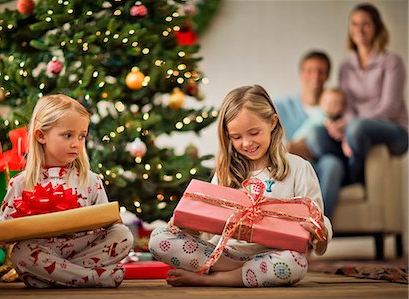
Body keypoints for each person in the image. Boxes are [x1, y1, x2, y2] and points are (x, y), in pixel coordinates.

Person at [148, 85, 332, 287]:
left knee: (296, 263)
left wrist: (319, 233)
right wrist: (187, 227)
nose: (246, 143)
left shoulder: (299, 168)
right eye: (236, 137)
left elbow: (318, 222)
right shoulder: (225, 172)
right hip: (225, 255)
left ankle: (214, 279)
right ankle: (239, 273)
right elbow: (208, 233)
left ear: (272, 123)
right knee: (158, 238)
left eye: (254, 132)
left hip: (274, 255)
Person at [0, 94, 133, 288]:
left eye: (82, 136)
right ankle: (92, 278)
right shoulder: (20, 183)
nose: (76, 143)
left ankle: (56, 276)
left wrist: (113, 220)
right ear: (41, 136)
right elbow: (6, 229)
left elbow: (104, 222)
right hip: (41, 251)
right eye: (68, 135)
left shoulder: (91, 180)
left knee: (123, 234)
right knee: (21, 254)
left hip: (81, 249)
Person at [318, 3, 408, 184]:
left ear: (376, 27)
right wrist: (344, 131)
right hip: (356, 130)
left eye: (365, 24)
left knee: (357, 128)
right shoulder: (345, 67)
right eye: (354, 24)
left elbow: (389, 107)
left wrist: (350, 126)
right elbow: (348, 105)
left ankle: (352, 178)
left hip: (394, 130)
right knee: (316, 134)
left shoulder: (392, 62)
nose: (359, 29)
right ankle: (339, 167)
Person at [274, 51, 346, 218]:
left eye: (321, 71)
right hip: (297, 163)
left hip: (328, 160)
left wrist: (308, 147)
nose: (315, 76)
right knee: (301, 167)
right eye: (310, 70)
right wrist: (292, 149)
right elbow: (274, 142)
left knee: (333, 164)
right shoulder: (281, 107)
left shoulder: (336, 104)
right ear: (301, 74)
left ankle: (319, 227)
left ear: (327, 76)